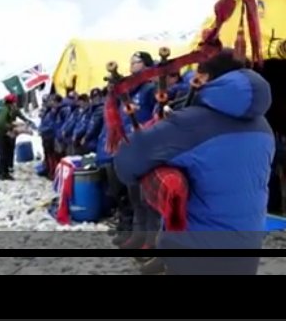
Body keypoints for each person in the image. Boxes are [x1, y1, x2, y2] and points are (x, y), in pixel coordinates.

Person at [114, 49, 275, 275]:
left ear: (208, 78)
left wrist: (162, 131)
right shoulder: (264, 126)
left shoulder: (191, 122)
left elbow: (127, 162)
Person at [110, 51, 157, 250]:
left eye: (135, 62)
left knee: (148, 197)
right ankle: (138, 235)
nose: (131, 65)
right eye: (130, 61)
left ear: (145, 65)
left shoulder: (149, 89)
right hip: (128, 145)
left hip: (145, 146)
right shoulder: (128, 90)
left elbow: (158, 114)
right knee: (134, 195)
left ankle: (150, 240)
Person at [0, 94, 35, 180]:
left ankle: (6, 172)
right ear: (10, 103)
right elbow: (1, 123)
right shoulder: (4, 110)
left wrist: (28, 121)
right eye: (14, 102)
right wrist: (13, 126)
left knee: (8, 153)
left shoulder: (13, 109)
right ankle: (1, 173)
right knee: (3, 154)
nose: (16, 104)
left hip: (7, 134)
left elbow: (20, 115)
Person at [37, 95, 60, 178]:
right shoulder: (47, 111)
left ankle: (53, 172)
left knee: (52, 154)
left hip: (51, 135)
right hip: (46, 135)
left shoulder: (55, 112)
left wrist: (43, 129)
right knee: (48, 154)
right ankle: (49, 170)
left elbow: (52, 125)